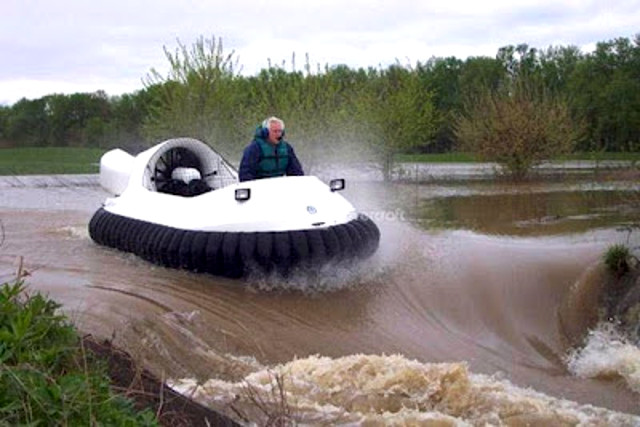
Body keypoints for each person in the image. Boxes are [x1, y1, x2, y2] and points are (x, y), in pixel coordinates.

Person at [238, 116, 304, 182]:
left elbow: (296, 173)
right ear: (265, 132)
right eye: (275, 131)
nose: (279, 135)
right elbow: (245, 174)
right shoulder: (254, 149)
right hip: (259, 187)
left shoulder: (287, 148)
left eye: (280, 131)